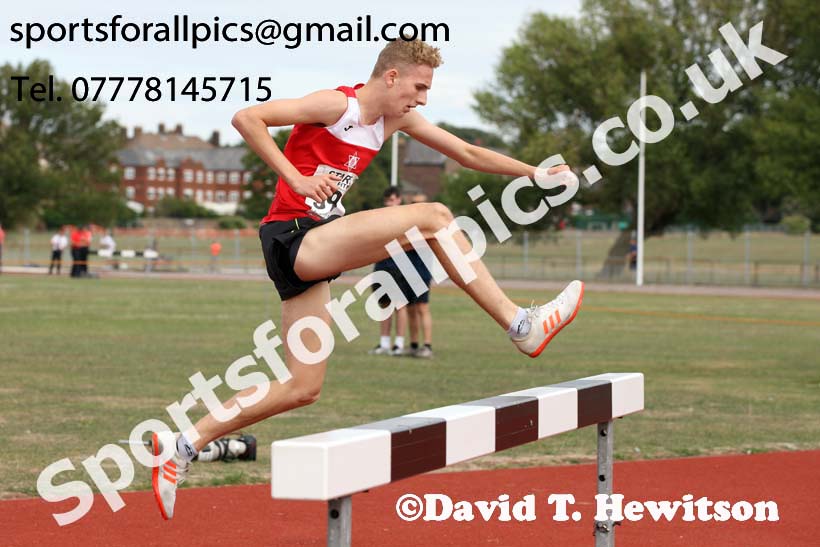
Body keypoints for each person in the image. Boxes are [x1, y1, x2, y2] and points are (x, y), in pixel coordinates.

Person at [151, 38, 584, 520]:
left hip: (312, 244)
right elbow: (246, 119)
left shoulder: (395, 120)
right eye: (418, 87)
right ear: (392, 76)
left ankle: (182, 446)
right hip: (293, 235)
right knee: (436, 218)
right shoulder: (337, 105)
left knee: (303, 386)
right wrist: (296, 178)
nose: (421, 99)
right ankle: (520, 325)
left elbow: (465, 151)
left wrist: (535, 174)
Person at [368, 187, 409, 356]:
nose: (389, 204)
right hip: (382, 264)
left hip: (400, 265)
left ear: (399, 200)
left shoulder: (405, 217)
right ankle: (384, 343)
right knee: (384, 304)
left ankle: (399, 343)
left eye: (392, 200)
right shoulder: (380, 217)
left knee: (400, 305)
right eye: (387, 201)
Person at [405, 196, 435, 358]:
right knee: (410, 309)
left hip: (421, 272)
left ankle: (427, 345)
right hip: (407, 271)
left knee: (422, 308)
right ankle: (414, 344)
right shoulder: (408, 226)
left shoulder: (426, 227)